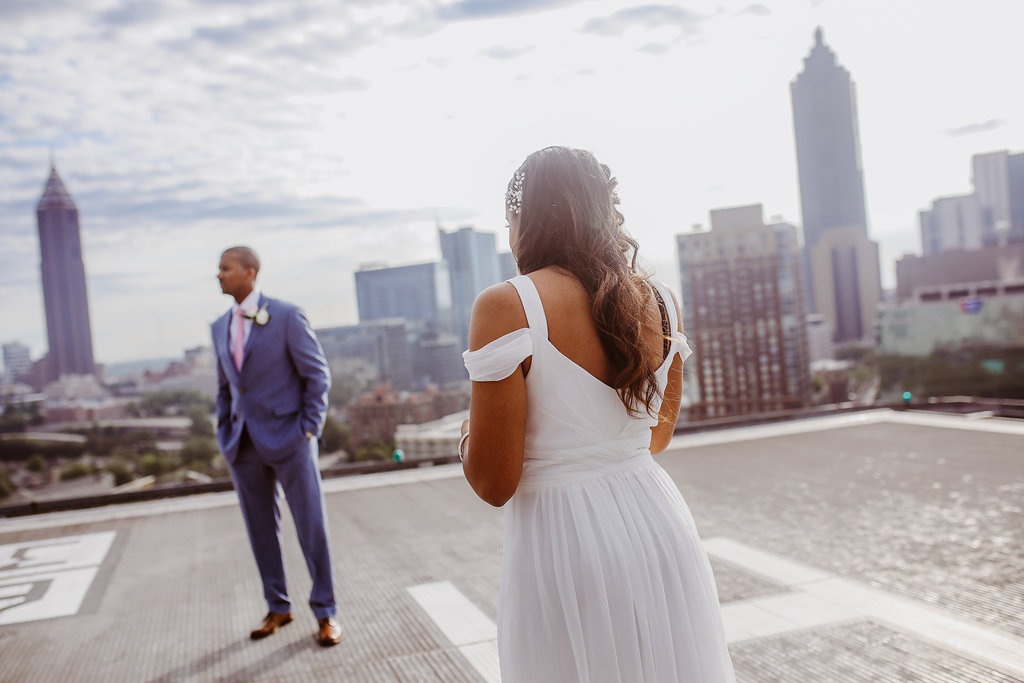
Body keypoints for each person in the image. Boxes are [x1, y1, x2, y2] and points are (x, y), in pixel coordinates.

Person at [460, 147, 735, 682]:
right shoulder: (658, 299)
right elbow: (655, 438)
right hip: (661, 531)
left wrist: (469, 432)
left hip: (566, 548)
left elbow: (495, 482)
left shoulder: (506, 306)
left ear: (526, 217)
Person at [212, 246, 342, 647]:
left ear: (249, 272)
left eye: (225, 268)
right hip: (242, 443)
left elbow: (317, 375)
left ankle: (326, 611)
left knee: (311, 527)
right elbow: (225, 388)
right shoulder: (218, 325)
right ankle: (278, 607)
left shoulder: (285, 315)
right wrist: (223, 431)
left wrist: (309, 428)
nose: (218, 275)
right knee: (260, 530)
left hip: (291, 438)